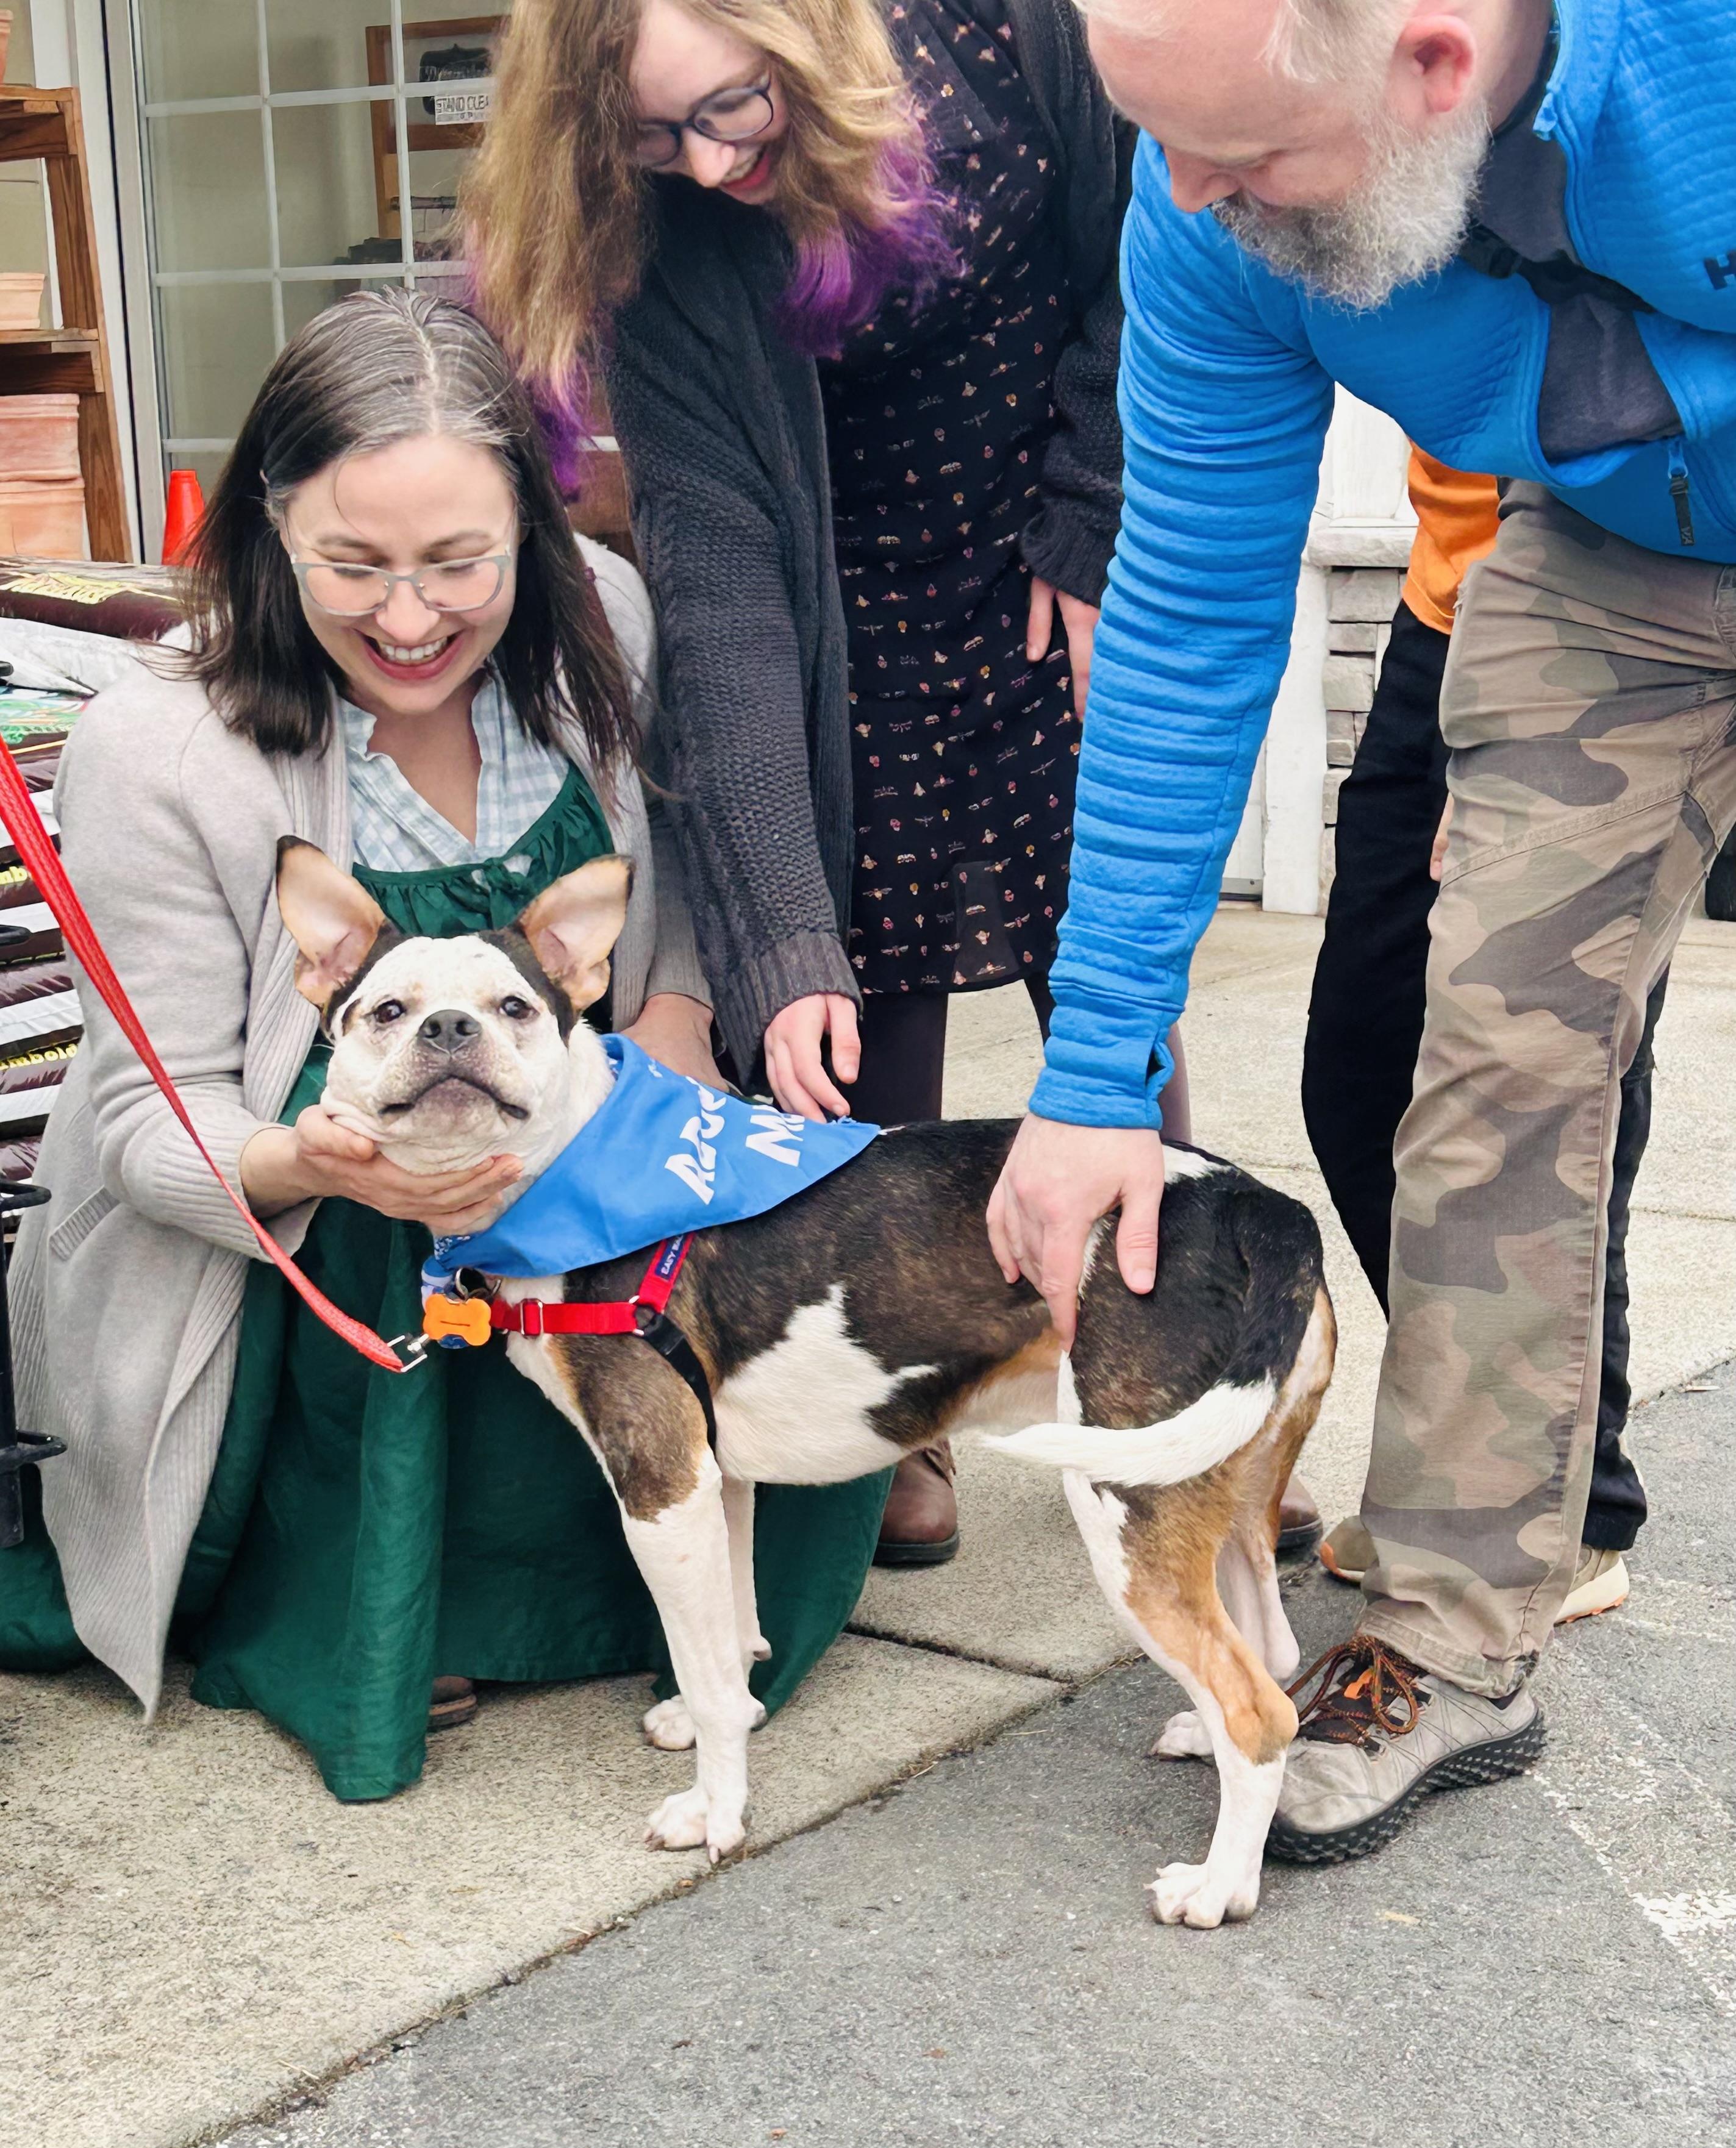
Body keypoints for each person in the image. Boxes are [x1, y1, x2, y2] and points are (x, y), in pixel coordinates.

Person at [987, 0, 1736, 1862]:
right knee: (1479, 1064)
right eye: (1159, 140)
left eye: (1240, 153)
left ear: (1433, 65)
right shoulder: (1201, 219)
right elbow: (1186, 616)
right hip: (1614, 557)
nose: (1185, 199)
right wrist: (1092, 1076)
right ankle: (1458, 1635)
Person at [0, 290, 890, 1801]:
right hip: (309, 1239)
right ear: (267, 527)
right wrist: (319, 1165)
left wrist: (673, 1031)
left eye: (459, 563)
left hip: (596, 1154)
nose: (409, 619)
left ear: (532, 529)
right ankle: (400, 1591)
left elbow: (675, 898)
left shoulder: (605, 622)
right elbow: (150, 1114)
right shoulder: (157, 743)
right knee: (401, 1243)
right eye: (353, 565)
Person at [463, 0, 1243, 1571]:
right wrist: (782, 934)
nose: (705, 163)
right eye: (649, 139)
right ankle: (905, 1403)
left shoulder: (1003, 31)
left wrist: (1094, 515)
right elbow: (720, 581)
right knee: (852, 1006)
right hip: (843, 613)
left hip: (1056, 552)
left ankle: (1186, 1384)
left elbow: (1150, 256)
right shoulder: (661, 241)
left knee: (1112, 991)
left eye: (727, 107)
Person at [1303, 449, 1659, 1623]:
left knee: (1546, 1085)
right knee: (1358, 1077)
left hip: (1608, 609)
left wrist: (1521, 717)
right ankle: (1482, 1476)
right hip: (1440, 601)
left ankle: (1571, 1509)